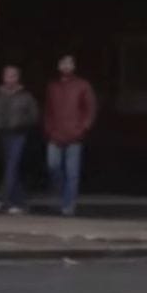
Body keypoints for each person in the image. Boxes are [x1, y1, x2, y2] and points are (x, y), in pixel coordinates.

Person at [44, 54, 96, 216]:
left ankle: (68, 205)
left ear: (74, 66)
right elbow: (47, 110)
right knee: (53, 166)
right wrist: (49, 129)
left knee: (72, 173)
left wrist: (83, 128)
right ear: (59, 66)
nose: (66, 66)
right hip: (55, 135)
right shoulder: (53, 86)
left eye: (69, 63)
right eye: (63, 63)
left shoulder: (83, 85)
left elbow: (91, 109)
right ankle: (59, 198)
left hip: (74, 136)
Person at [0, 65, 40, 215]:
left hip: (19, 135)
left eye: (13, 76)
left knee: (12, 165)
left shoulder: (26, 96)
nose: (10, 79)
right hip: (3, 134)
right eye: (7, 75)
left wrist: (22, 123)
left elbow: (34, 115)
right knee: (11, 168)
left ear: (18, 78)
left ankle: (0, 198)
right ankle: (20, 203)